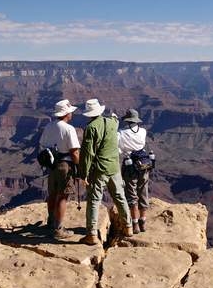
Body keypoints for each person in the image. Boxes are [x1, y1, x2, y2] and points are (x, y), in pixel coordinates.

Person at [78, 99, 132, 245]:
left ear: (89, 114)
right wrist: (113, 115)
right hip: (114, 168)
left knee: (94, 201)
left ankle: (91, 235)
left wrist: (83, 174)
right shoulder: (112, 123)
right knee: (120, 197)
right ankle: (128, 227)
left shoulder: (91, 128)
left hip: (99, 170)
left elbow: (87, 153)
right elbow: (115, 117)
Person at [39, 99, 80, 240]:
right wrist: (79, 168)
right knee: (62, 196)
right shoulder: (69, 129)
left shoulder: (49, 126)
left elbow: (42, 145)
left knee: (53, 193)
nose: (72, 114)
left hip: (52, 165)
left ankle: (50, 222)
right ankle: (58, 229)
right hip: (64, 165)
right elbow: (74, 152)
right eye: (70, 112)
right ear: (67, 113)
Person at [117, 109, 150, 233]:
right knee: (143, 192)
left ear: (127, 121)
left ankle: (135, 224)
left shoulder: (120, 132)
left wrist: (124, 152)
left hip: (130, 166)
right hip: (144, 164)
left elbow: (117, 148)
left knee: (131, 194)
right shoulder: (143, 131)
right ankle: (143, 222)